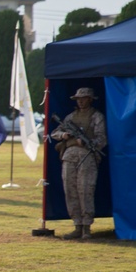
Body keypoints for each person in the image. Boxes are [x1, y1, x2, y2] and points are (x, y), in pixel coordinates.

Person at [50, 87, 107, 240]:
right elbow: (54, 133)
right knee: (70, 190)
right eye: (78, 99)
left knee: (85, 190)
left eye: (84, 98)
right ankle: (77, 225)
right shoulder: (70, 118)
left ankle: (86, 227)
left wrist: (89, 143)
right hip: (69, 156)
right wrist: (65, 135)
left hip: (87, 157)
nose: (81, 101)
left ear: (90, 99)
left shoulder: (96, 117)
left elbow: (102, 139)